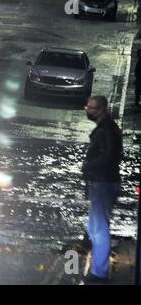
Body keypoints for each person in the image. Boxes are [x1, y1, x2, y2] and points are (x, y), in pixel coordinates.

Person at [82, 96, 123, 284]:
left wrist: (88, 167)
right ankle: (99, 268)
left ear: (101, 110)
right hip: (102, 182)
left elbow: (110, 156)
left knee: (99, 229)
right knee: (95, 227)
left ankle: (99, 272)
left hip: (104, 183)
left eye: (90, 108)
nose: (87, 110)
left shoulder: (107, 129)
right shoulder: (107, 127)